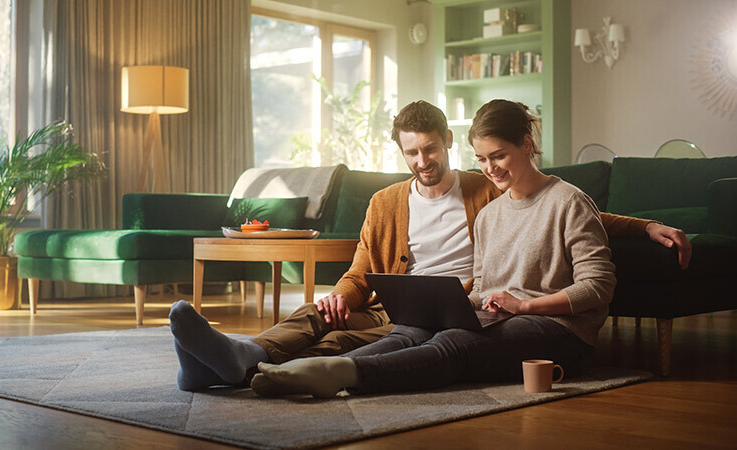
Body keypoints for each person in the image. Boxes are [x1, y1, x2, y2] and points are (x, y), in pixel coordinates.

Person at [168, 100, 691, 391]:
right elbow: (360, 270)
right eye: (412, 153)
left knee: (370, 344)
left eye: (431, 149)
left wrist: (644, 225)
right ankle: (239, 357)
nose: (423, 161)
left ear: (445, 143)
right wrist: (342, 298)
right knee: (318, 315)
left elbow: (570, 213)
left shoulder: (487, 191)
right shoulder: (389, 203)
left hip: (463, 309)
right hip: (404, 306)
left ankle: (271, 373)